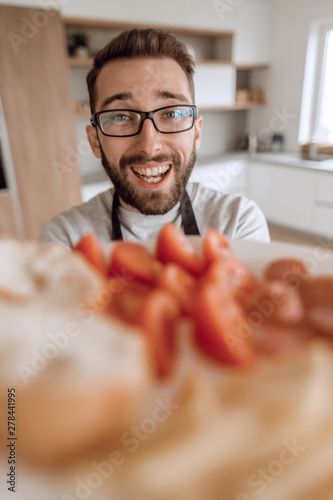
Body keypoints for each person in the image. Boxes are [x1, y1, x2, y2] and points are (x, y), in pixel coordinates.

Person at [39, 28, 270, 246]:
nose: (149, 146)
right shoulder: (65, 239)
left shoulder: (238, 223)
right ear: (95, 141)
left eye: (171, 113)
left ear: (196, 132)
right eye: (120, 117)